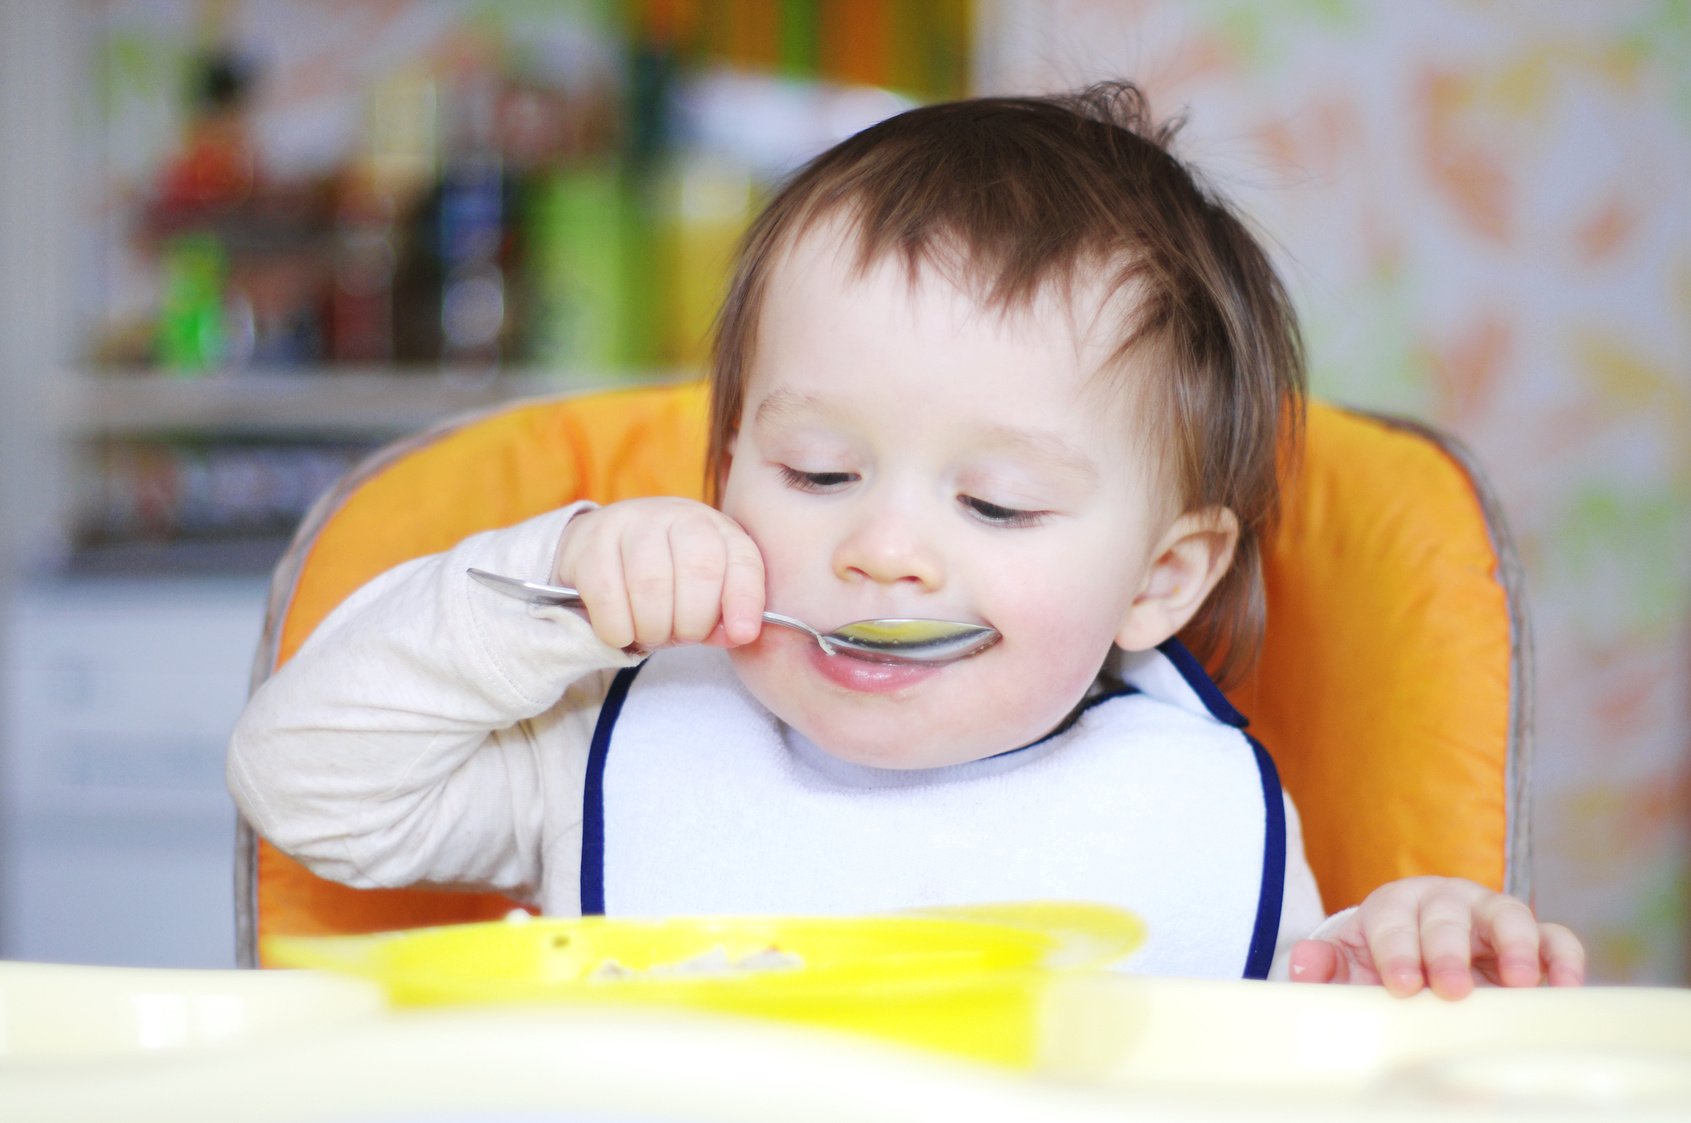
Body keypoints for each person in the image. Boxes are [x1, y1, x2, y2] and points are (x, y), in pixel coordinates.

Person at [228, 82, 1583, 997]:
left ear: (1161, 580)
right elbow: (308, 788)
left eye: (993, 505)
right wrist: (558, 586)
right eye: (817, 472)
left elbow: (1302, 1057)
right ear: (726, 472)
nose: (884, 550)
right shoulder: (618, 745)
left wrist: (1412, 963)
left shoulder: (1199, 817)